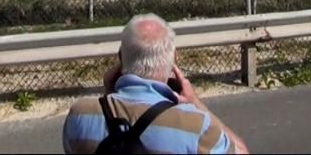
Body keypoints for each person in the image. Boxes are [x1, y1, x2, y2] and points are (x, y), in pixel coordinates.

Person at [62, 13, 250, 154]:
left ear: (120, 58)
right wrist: (195, 103)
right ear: (173, 59)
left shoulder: (80, 115)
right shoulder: (197, 127)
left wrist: (109, 95)